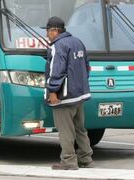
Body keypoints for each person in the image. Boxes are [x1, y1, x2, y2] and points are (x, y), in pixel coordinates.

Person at [44, 16, 94, 170]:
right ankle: (86, 158)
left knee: (65, 131)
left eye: (47, 31)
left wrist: (52, 91)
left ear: (54, 31)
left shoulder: (58, 46)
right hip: (79, 94)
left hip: (64, 97)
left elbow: (56, 71)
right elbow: (87, 67)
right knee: (80, 128)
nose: (47, 35)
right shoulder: (78, 42)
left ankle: (68, 161)